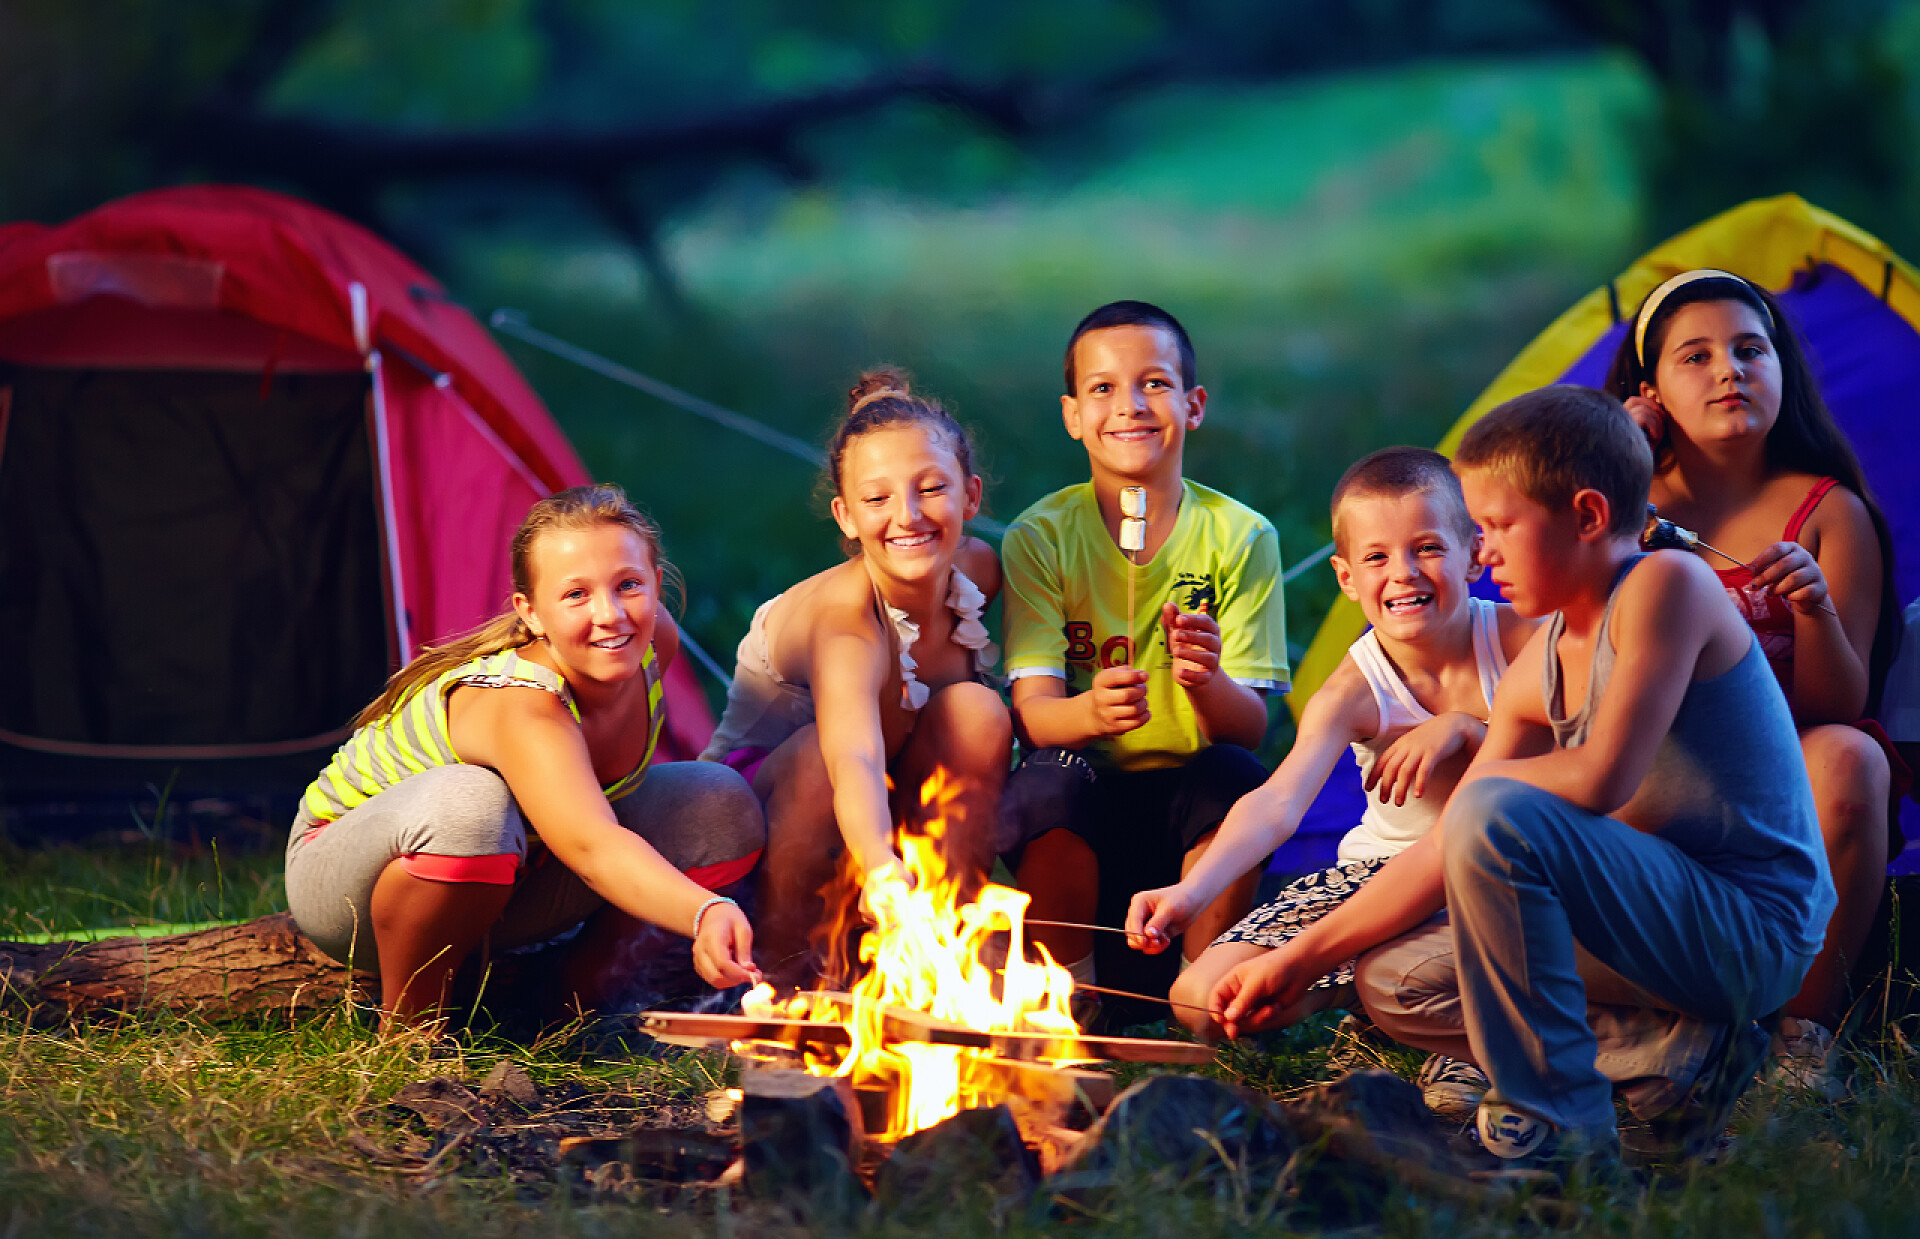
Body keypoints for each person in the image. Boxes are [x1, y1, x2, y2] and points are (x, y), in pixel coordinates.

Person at [1212, 386, 1835, 1170]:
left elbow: (1603, 776)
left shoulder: (1666, 586)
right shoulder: (1539, 664)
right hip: (1642, 931)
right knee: (1393, 979)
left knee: (1494, 804)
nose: (1485, 550)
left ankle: (1558, 1126)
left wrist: (1477, 783)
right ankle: (1680, 1058)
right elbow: (1447, 845)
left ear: (1585, 516)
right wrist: (1297, 957)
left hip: (1748, 928)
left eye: (1497, 526)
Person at [286, 485, 766, 1025]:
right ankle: (411, 1035)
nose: (610, 615)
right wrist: (705, 911)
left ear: (656, 585)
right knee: (470, 805)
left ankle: (571, 1011)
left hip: (517, 870)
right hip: (349, 879)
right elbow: (592, 845)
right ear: (531, 613)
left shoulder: (653, 644)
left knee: (717, 799)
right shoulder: (520, 704)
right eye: (576, 595)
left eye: (627, 585)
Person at [1125, 447, 1536, 1044]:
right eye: (1376, 557)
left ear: (1474, 553)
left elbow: (1579, 765)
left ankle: (1417, 1009)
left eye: (1427, 547)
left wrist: (1466, 729)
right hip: (1378, 879)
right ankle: (1363, 988)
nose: (1404, 573)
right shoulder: (1354, 689)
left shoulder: (1522, 642)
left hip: (1502, 875)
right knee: (1199, 1001)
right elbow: (1278, 803)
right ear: (1346, 578)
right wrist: (1192, 892)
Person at [1606, 269, 1905, 1067]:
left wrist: (1815, 610)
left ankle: (1800, 1041)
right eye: (1695, 357)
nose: (1728, 370)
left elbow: (1838, 703)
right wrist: (1618, 459)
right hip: (1651, 768)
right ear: (1651, 392)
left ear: (1782, 371)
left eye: (1749, 350)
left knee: (1854, 758)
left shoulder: (1830, 512)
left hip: (1782, 773)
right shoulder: (1614, 507)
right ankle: (1646, 1020)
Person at [999, 300, 1288, 999]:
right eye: (1102, 388)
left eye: (1154, 383)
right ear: (1073, 415)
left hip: (1190, 819)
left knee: (1236, 774)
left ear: (1193, 405)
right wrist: (1091, 711)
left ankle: (1201, 988)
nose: (1129, 405)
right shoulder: (1041, 539)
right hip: (1084, 813)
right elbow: (1035, 715)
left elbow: (1251, 729)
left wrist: (1206, 681)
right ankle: (1072, 993)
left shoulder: (1240, 537)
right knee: (1047, 775)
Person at [700, 369, 1009, 981]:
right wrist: (881, 868)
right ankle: (789, 967)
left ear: (970, 496)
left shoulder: (978, 571)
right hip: (757, 816)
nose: (909, 516)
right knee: (823, 752)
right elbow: (855, 759)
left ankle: (943, 939)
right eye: (878, 499)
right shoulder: (847, 622)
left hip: (882, 800)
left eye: (932, 489)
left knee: (977, 712)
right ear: (844, 515)